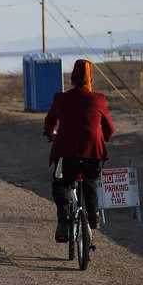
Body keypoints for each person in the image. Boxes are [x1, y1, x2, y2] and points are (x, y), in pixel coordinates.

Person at [43, 59, 115, 242]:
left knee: (62, 185)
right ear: (91, 79)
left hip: (67, 152)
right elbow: (109, 128)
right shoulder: (98, 99)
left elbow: (50, 122)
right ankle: (93, 216)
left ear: (72, 79)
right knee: (90, 181)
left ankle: (63, 223)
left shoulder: (61, 98)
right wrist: (103, 139)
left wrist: (50, 134)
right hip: (93, 152)